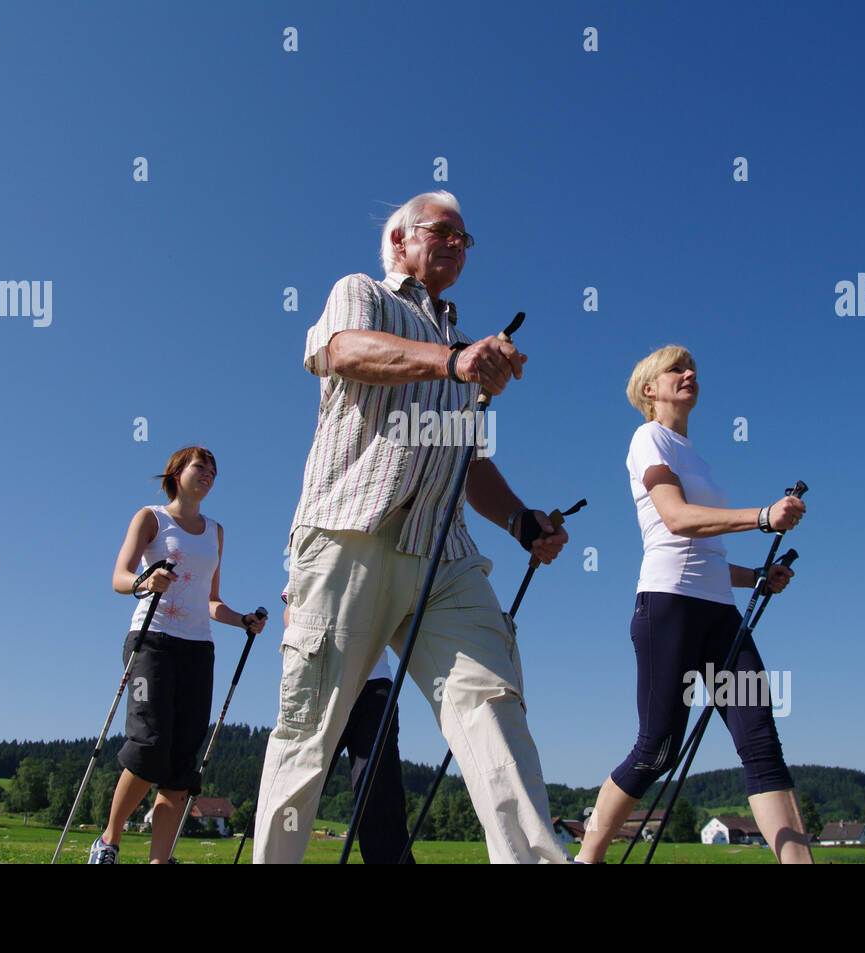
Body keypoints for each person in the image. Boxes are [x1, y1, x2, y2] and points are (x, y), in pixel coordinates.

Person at [253, 190, 571, 864]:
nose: (458, 244)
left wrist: (520, 520)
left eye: (466, 239)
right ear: (400, 241)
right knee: (308, 733)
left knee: (494, 710)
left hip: (444, 557)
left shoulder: (463, 346)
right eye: (443, 232)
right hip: (350, 535)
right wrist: (451, 362)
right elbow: (342, 351)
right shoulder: (364, 293)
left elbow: (471, 463)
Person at [575, 346, 814, 864]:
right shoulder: (647, 439)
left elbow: (704, 549)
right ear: (649, 389)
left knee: (760, 741)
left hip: (719, 613)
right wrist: (763, 516)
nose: (689, 375)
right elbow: (677, 520)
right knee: (657, 749)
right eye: (676, 370)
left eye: (694, 371)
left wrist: (755, 578)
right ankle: (587, 857)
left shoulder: (696, 456)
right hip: (669, 608)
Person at [88, 446, 266, 864]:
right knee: (150, 746)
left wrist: (241, 619)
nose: (208, 474)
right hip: (152, 639)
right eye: (200, 466)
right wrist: (147, 581)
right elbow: (119, 576)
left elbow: (210, 599)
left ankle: (159, 859)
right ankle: (108, 841)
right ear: (176, 472)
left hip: (197, 648)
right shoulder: (151, 517)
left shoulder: (215, 531)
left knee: (183, 763)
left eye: (213, 471)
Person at [285, 594, 414, 864]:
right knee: (297, 789)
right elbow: (292, 611)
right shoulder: (313, 554)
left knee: (379, 792)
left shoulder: (380, 558)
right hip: (322, 680)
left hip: (374, 686)